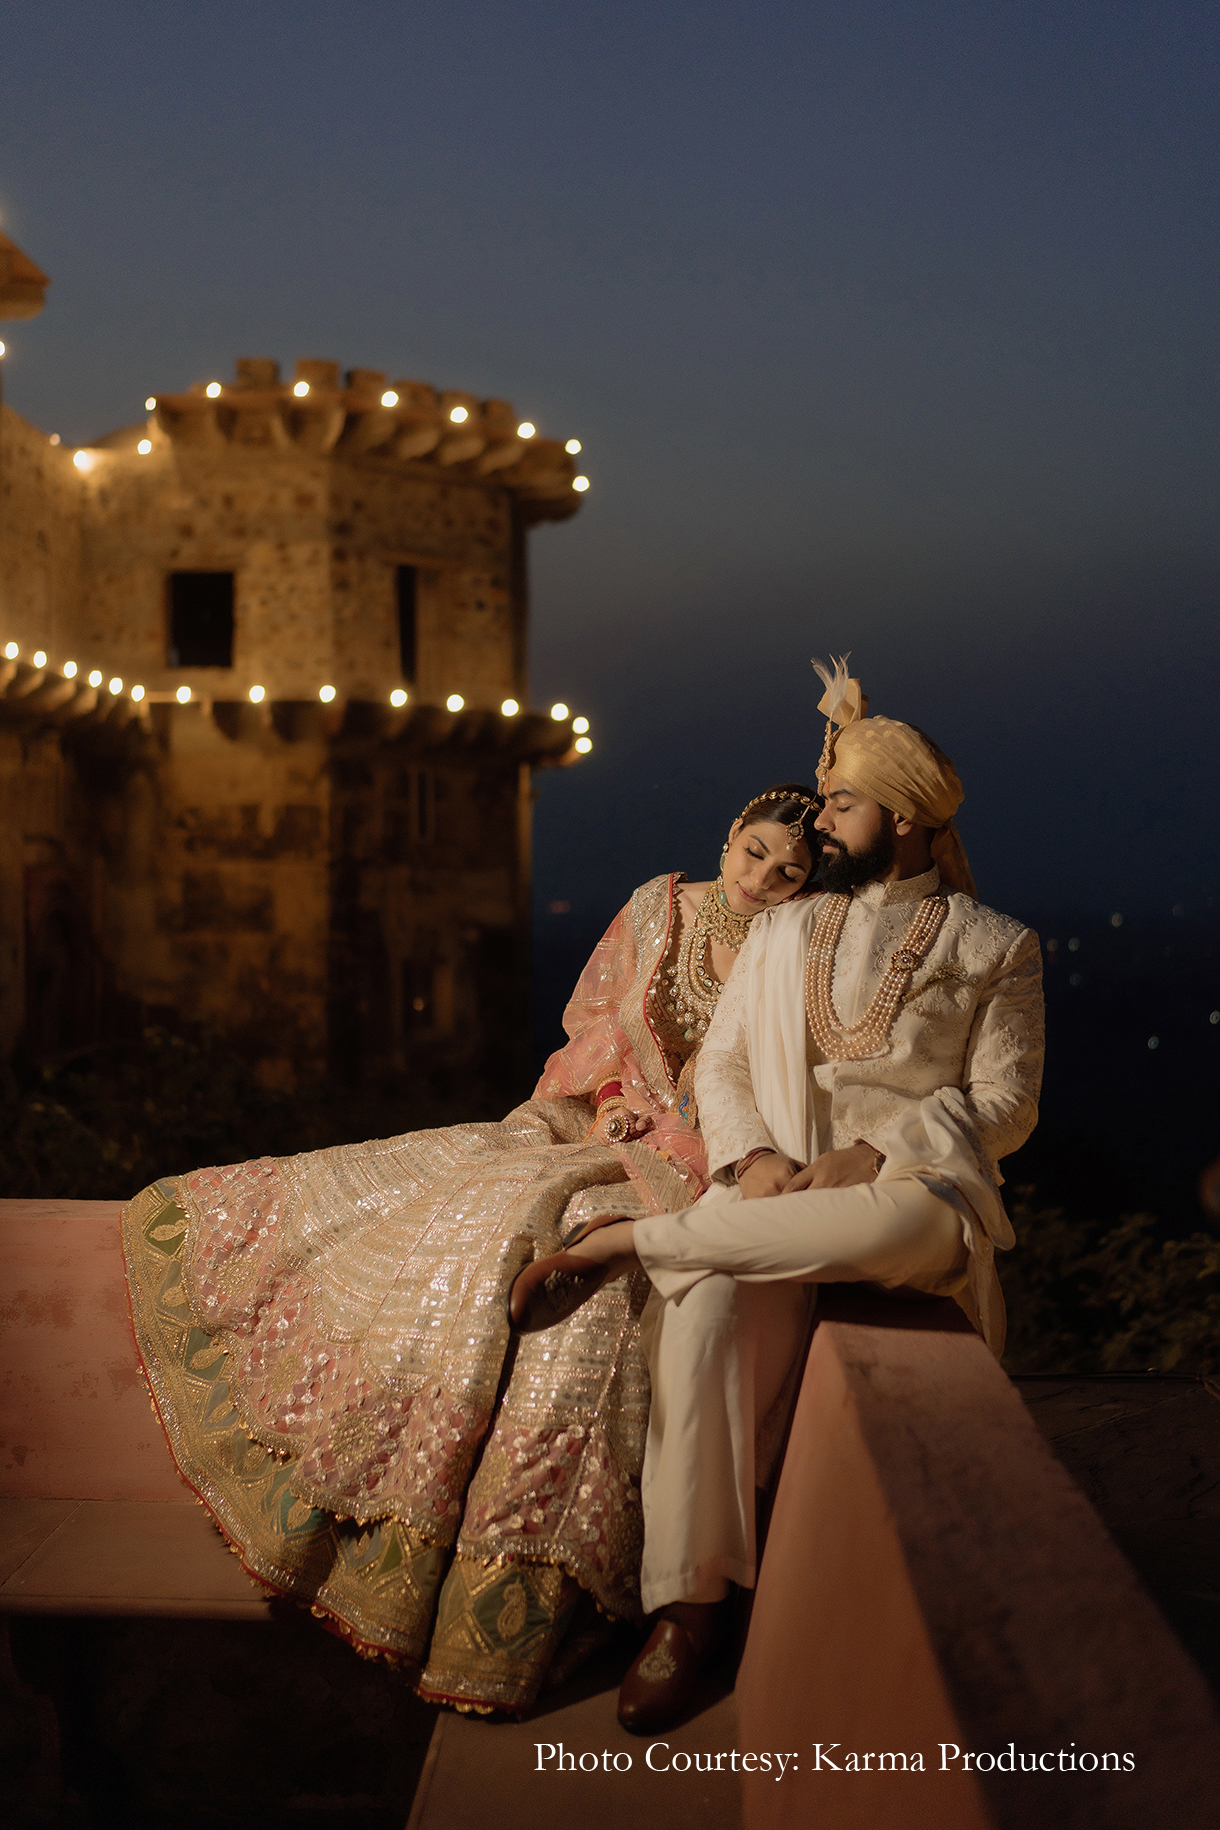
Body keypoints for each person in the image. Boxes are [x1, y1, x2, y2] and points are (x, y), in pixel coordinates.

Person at [121, 782, 820, 1715]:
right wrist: (612, 1099)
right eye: (754, 852)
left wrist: (678, 1139)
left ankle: (511, 1588)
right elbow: (599, 1025)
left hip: (700, 1160)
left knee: (588, 1296)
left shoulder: (794, 948)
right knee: (477, 1202)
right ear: (729, 833)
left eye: (789, 872)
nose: (761, 878)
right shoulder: (660, 905)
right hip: (596, 1119)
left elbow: (762, 1084)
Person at [510, 660, 1045, 1731]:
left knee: (910, 1214)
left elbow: (1006, 1105)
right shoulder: (789, 930)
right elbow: (727, 1069)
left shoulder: (996, 945)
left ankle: (641, 1243)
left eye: (839, 802)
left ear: (898, 820)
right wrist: (750, 1159)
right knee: (702, 1309)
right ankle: (687, 1608)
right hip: (769, 1201)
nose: (819, 816)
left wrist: (882, 1149)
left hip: (904, 1200)